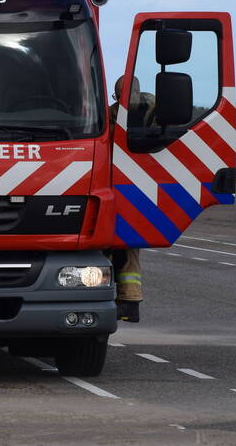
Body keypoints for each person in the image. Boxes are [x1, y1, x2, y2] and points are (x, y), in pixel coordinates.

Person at [107, 76, 147, 323]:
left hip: (119, 188)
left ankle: (126, 302)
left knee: (116, 251)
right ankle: (129, 303)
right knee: (128, 252)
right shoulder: (151, 110)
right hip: (136, 191)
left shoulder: (112, 114)